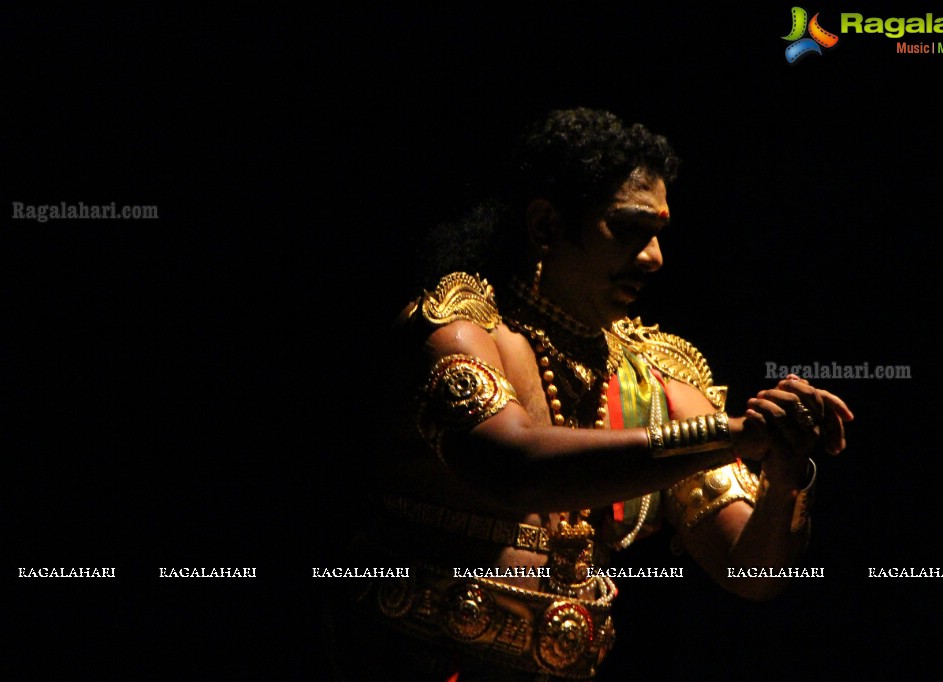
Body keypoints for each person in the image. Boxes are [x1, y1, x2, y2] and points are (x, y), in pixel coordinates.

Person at [328, 107, 853, 681]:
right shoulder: (459, 330)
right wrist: (731, 435)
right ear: (547, 226)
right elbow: (517, 466)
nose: (654, 257)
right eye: (628, 229)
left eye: (659, 234)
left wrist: (786, 470)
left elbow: (756, 576)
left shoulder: (657, 381)